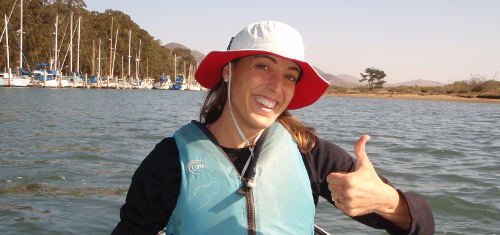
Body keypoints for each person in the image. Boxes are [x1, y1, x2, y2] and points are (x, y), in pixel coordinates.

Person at [112, 21, 434, 235]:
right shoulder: (170, 160)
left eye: (290, 75)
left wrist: (386, 202)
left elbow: (423, 226)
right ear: (228, 71)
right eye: (263, 66)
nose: (276, 86)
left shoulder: (310, 153)